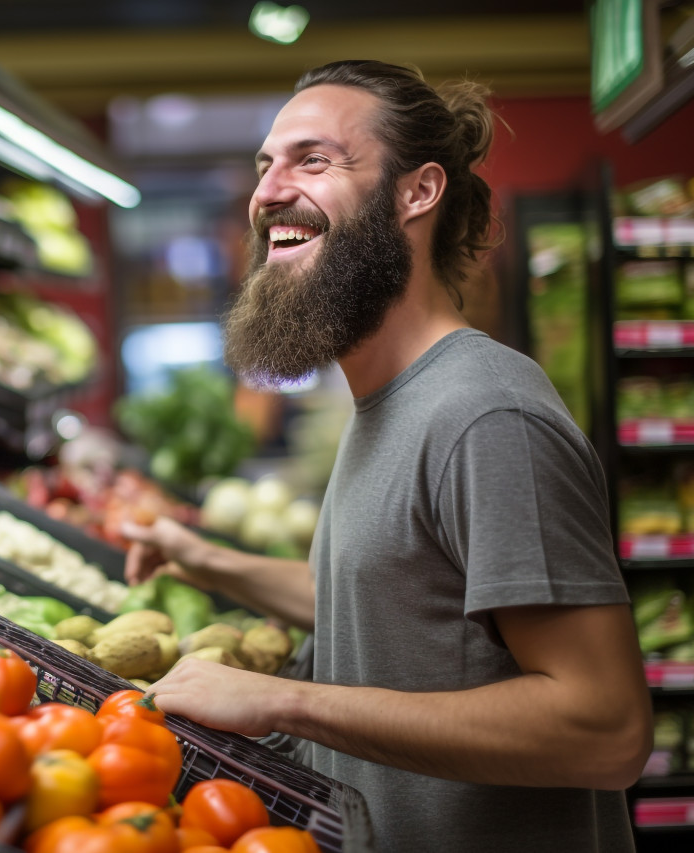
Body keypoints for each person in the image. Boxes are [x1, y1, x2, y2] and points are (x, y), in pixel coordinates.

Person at [125, 60, 652, 852]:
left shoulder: (485, 413)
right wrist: (203, 559)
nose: (268, 191)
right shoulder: (388, 401)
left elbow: (605, 728)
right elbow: (392, 606)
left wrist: (282, 701)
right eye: (266, 165)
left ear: (418, 191)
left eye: (313, 159)